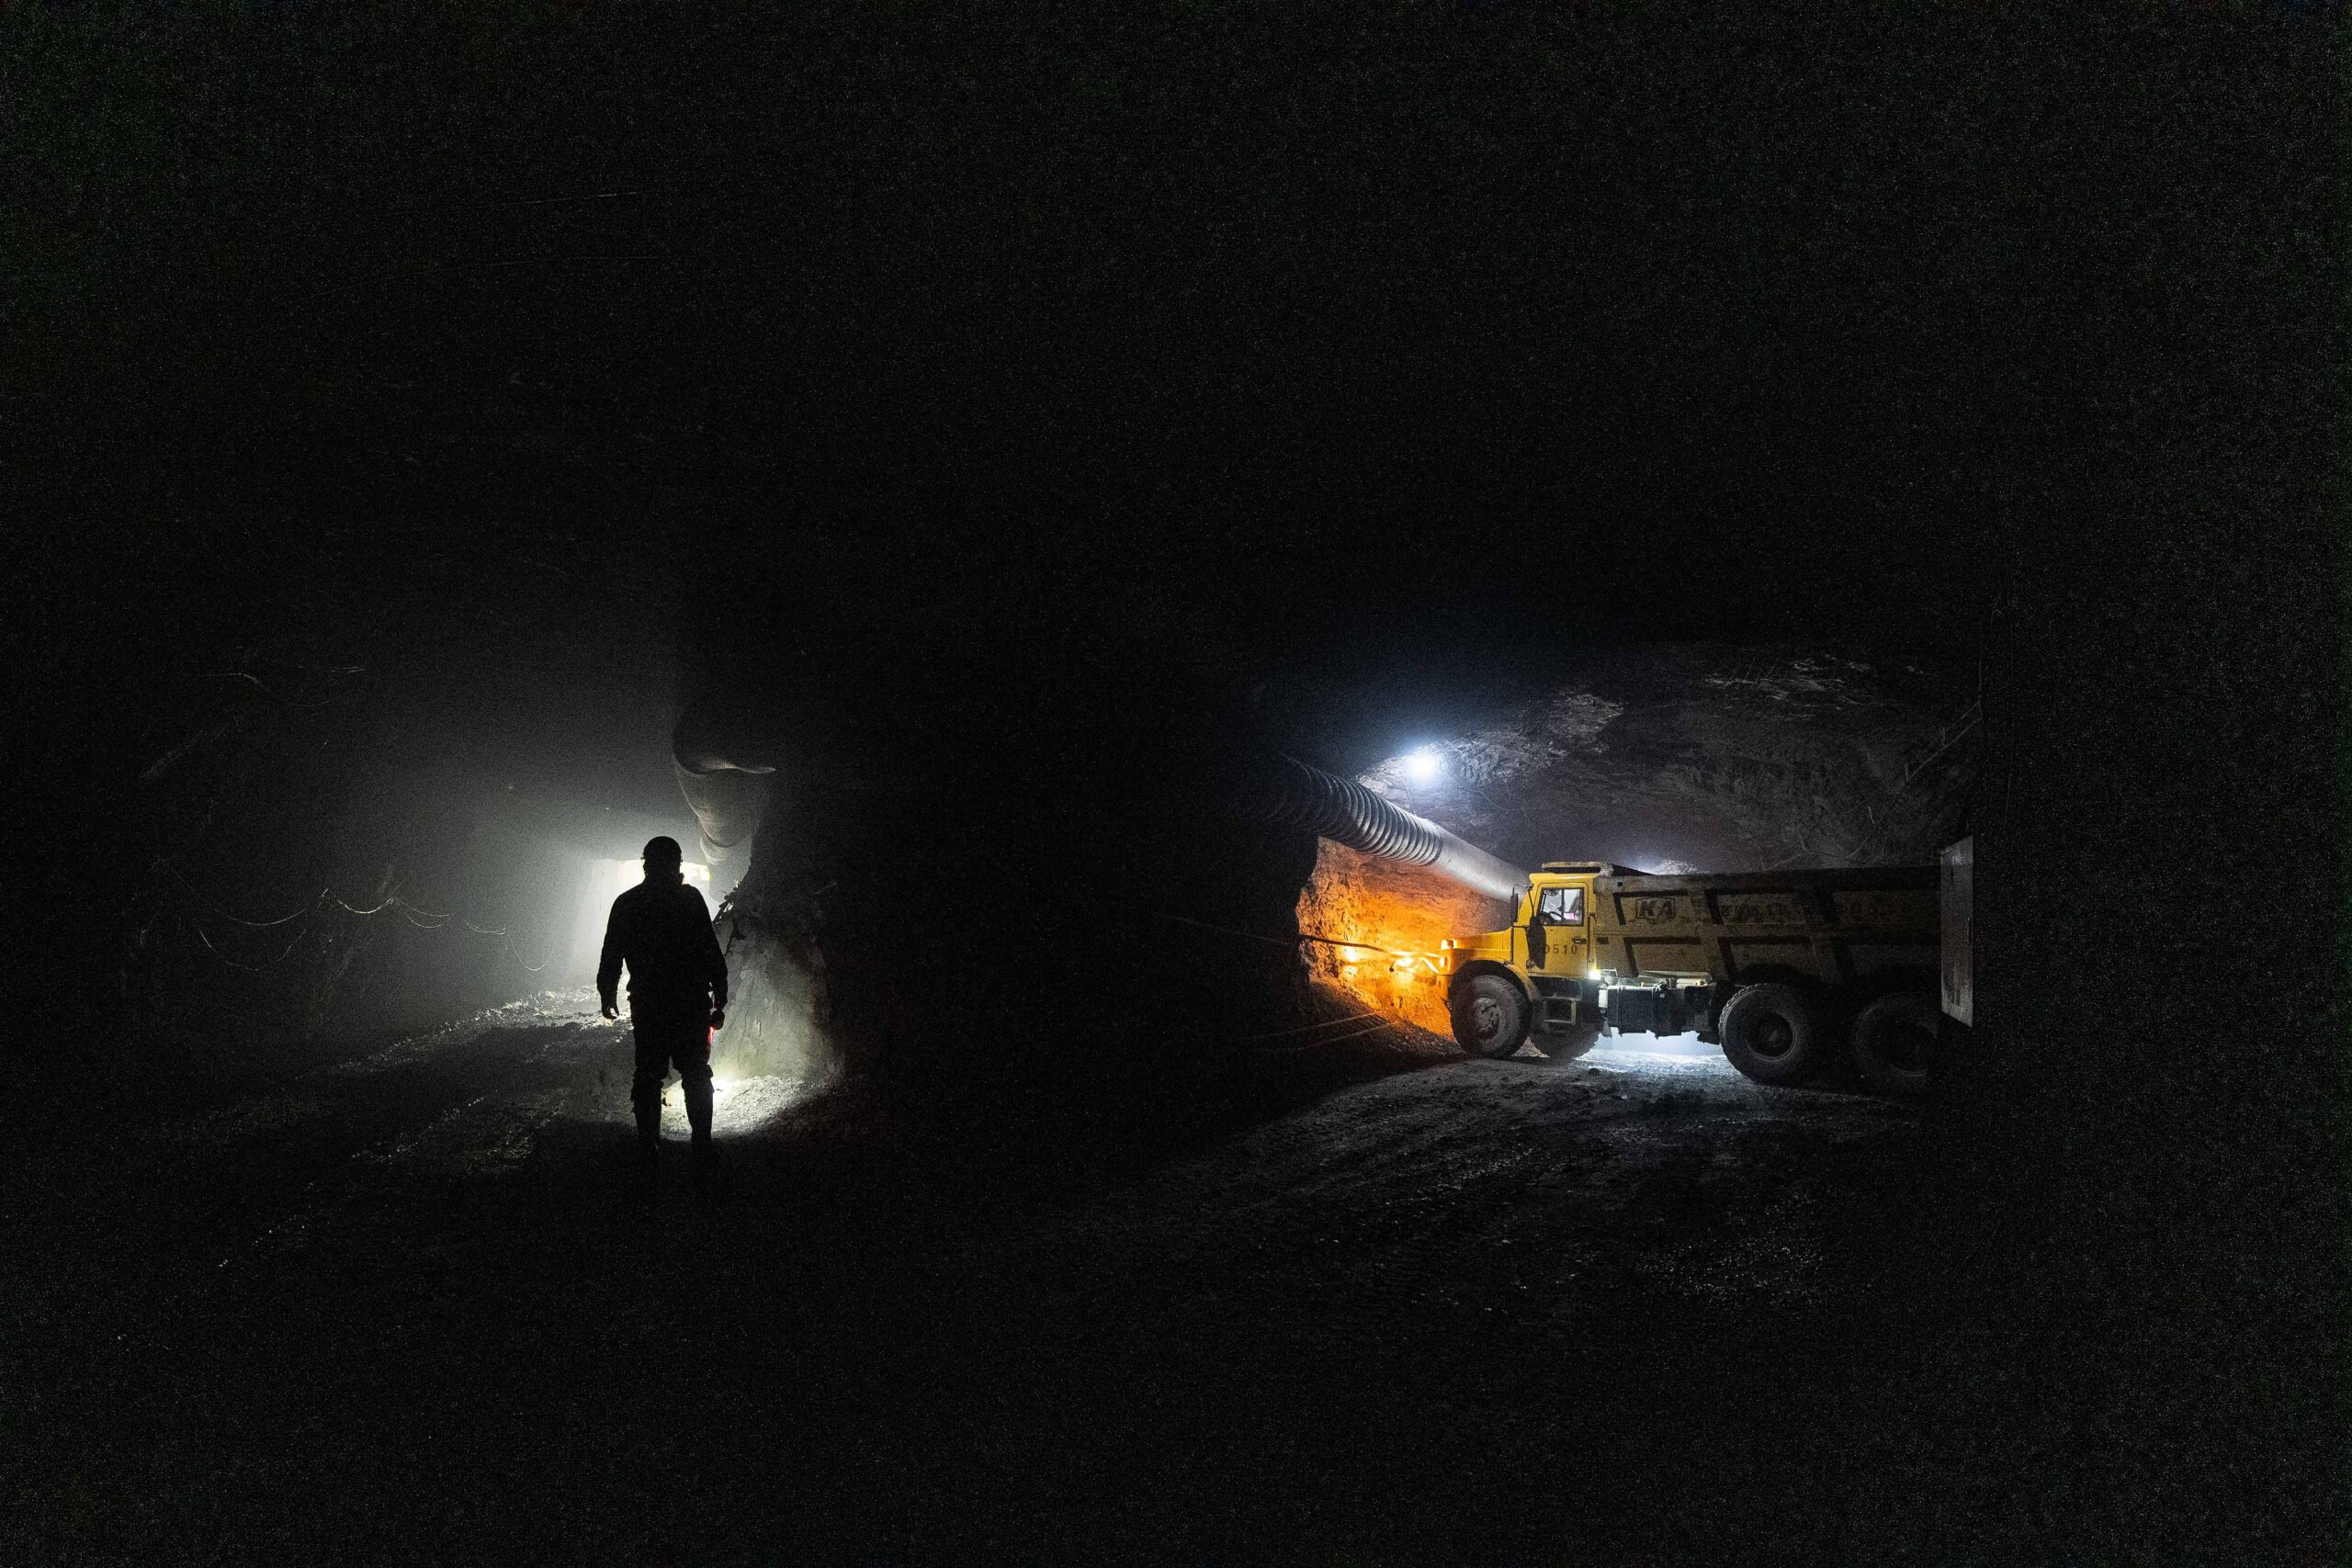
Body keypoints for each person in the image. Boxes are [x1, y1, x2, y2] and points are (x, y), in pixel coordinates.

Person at [597, 836, 729, 1184]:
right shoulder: (689, 900)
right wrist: (721, 989)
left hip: (651, 1001)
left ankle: (648, 1147)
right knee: (696, 1071)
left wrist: (607, 992)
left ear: (645, 864)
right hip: (688, 1000)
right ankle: (701, 1146)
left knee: (648, 1074)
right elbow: (709, 946)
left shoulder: (628, 903)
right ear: (677, 864)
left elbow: (612, 953)